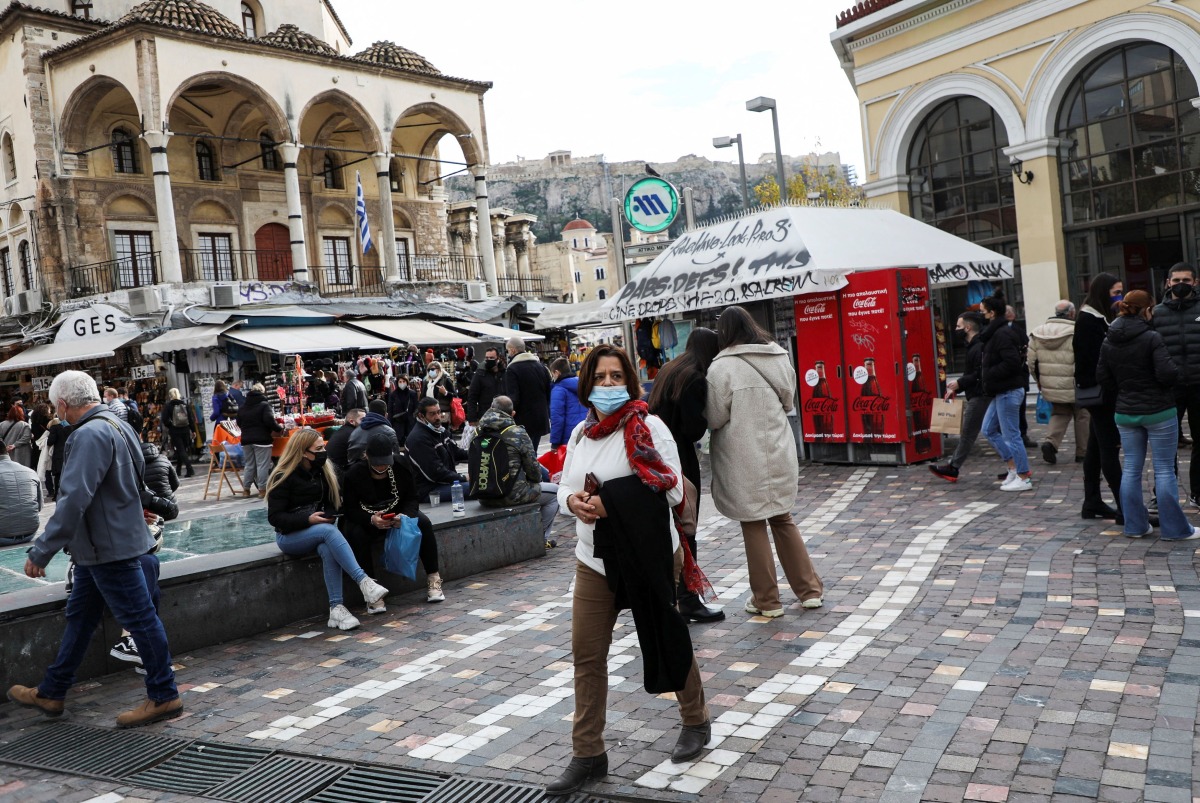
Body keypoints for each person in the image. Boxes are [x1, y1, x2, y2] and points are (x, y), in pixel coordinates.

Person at [549, 343, 711, 796]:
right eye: (599, 378)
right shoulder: (583, 435)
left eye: (616, 377)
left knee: (663, 631)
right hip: (594, 558)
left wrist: (611, 501)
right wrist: (574, 503)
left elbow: (675, 491)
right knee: (586, 653)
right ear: (586, 384)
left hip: (647, 552)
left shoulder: (649, 427)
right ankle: (588, 754)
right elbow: (564, 489)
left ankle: (696, 720)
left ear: (630, 382)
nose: (607, 386)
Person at [7, 370, 182, 727]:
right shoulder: (120, 426)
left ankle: (164, 695)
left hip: (107, 548)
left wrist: (42, 550)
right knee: (82, 618)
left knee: (140, 621)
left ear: (62, 404)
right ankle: (52, 691)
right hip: (107, 545)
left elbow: (73, 499)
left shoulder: (87, 435)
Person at [706, 307, 824, 617]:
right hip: (777, 449)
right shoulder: (779, 357)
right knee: (783, 517)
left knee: (753, 522)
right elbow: (789, 402)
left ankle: (767, 600)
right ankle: (809, 591)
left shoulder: (722, 368)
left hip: (743, 456)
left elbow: (715, 417)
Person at [1096, 290, 1197, 540]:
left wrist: (1126, 387)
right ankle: (1175, 529)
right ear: (1146, 309)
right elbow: (1167, 374)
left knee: (1131, 468)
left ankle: (1135, 526)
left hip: (1126, 411)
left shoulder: (1109, 339)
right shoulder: (1151, 337)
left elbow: (1103, 378)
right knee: (1163, 469)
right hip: (1158, 410)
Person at [265, 427, 389, 630]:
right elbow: (275, 517)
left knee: (327, 548)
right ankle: (364, 582)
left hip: (318, 531)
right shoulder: (282, 475)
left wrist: (329, 514)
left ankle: (336, 609)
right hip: (289, 536)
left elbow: (334, 502)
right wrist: (308, 519)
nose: (324, 452)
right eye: (319, 448)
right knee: (328, 532)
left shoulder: (323, 470)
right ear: (304, 452)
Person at [646, 328, 725, 623]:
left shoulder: (670, 369)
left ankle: (672, 595)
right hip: (679, 458)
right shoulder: (695, 378)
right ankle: (689, 598)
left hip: (658, 455)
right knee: (687, 527)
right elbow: (693, 429)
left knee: (669, 527)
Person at [342, 433, 444, 606]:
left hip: (397, 513)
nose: (381, 467)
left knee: (424, 523)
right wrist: (371, 519)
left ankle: (433, 578)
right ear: (367, 456)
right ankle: (372, 590)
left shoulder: (401, 465)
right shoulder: (353, 474)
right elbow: (350, 509)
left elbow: (412, 497)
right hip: (367, 517)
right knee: (356, 534)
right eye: (377, 463)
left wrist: (405, 516)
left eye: (385, 462)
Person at [109, 441, 180, 668]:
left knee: (149, 569)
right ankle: (141, 647)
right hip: (98, 561)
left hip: (125, 556)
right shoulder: (98, 488)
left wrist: (140, 521)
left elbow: (168, 511)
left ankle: (140, 649)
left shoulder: (130, 487)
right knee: (148, 568)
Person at [475, 396, 560, 539]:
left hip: (483, 495)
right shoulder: (516, 432)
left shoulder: (476, 432)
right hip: (511, 495)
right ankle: (540, 538)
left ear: (491, 407)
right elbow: (534, 472)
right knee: (556, 493)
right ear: (513, 413)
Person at [1076, 273, 1123, 522]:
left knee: (1095, 448)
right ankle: (1126, 507)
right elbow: (1090, 361)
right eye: (1115, 292)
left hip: (1102, 391)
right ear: (1104, 292)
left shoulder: (1101, 318)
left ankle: (1092, 500)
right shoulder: (1089, 319)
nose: (1119, 297)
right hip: (1102, 394)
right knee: (1108, 448)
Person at [1152, 262, 1200, 503]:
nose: (1181, 285)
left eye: (1186, 281)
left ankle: (1198, 492)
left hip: (1199, 385)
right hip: (1169, 388)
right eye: (1176, 280)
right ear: (1168, 283)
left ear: (1195, 283)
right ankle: (1162, 494)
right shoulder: (1156, 313)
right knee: (1166, 443)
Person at [979, 296, 1033, 492]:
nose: (981, 315)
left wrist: (989, 375)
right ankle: (1012, 467)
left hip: (1008, 390)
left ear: (992, 313)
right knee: (988, 429)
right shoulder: (995, 333)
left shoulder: (1002, 334)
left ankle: (1023, 475)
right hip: (1001, 390)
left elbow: (1011, 363)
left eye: (982, 311)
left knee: (1012, 435)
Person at [929, 311, 988, 482]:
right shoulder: (973, 346)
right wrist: (959, 386)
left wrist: (960, 383)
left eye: (958, 326)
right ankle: (1014, 466)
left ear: (968, 327)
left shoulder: (978, 347)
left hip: (980, 394)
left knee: (972, 433)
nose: (955, 329)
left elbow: (979, 373)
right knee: (994, 432)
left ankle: (953, 468)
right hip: (978, 393)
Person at [1029, 300, 1088, 465]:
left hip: (1051, 385)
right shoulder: (1076, 331)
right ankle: (1083, 452)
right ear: (1071, 313)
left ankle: (1050, 443)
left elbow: (1031, 362)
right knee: (1082, 415)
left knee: (1059, 413)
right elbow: (1083, 358)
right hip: (1076, 384)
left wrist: (1040, 381)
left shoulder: (1038, 332)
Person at [406, 397, 468, 503]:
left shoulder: (440, 431)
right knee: (479, 487)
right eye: (432, 414)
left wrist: (479, 454)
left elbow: (456, 452)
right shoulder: (418, 438)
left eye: (439, 412)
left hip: (446, 483)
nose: (437, 417)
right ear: (421, 416)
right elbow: (436, 473)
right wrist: (463, 477)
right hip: (429, 490)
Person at [505, 336, 551, 450]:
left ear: (513, 350)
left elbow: (514, 397)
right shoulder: (542, 367)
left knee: (525, 457)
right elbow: (549, 392)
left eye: (508, 350)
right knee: (533, 451)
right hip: (541, 418)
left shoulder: (512, 369)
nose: (508, 354)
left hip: (523, 420)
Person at [237, 383, 282, 499]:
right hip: (262, 439)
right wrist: (279, 429)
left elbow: (238, 423)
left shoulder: (243, 406)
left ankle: (246, 489)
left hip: (246, 439)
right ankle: (262, 490)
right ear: (263, 392)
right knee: (262, 465)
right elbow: (269, 421)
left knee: (249, 465)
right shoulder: (264, 405)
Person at [0, 445, 41, 545]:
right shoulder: (30, 471)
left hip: (3, 536)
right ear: (7, 452)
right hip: (30, 533)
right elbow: (39, 506)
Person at [549, 357, 588, 451]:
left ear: (557, 373)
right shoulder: (582, 384)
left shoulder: (558, 390)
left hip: (568, 437)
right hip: (585, 431)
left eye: (552, 374)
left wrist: (555, 443)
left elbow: (557, 418)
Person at [349, 399, 400, 463]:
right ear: (386, 415)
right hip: (378, 470)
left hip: (354, 470)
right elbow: (396, 457)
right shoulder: (389, 432)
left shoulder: (355, 431)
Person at [467, 347, 506, 425]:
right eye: (487, 358)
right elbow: (472, 397)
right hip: (485, 415)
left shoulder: (504, 373)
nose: (489, 360)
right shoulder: (480, 374)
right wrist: (472, 419)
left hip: (503, 415)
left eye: (492, 358)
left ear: (498, 358)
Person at [162, 389, 196, 478]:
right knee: (183, 450)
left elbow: (164, 419)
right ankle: (178, 469)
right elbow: (191, 419)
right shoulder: (184, 405)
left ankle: (190, 469)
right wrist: (193, 430)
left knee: (180, 450)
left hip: (175, 431)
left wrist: (171, 426)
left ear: (170, 396)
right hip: (185, 429)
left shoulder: (169, 406)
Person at [326, 408, 365, 483]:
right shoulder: (354, 434)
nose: (366, 422)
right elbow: (358, 457)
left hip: (331, 470)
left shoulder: (344, 430)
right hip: (338, 474)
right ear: (351, 421)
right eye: (362, 420)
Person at [0, 403, 33, 469]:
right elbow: (27, 437)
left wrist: (5, 447)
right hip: (22, 453)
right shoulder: (25, 425)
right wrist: (15, 445)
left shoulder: (2, 424)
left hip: (6, 453)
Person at [387, 374, 418, 443]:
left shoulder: (412, 394)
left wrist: (414, 419)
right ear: (397, 383)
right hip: (398, 423)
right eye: (400, 382)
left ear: (407, 382)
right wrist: (390, 423)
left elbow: (416, 407)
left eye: (404, 381)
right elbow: (390, 409)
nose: (402, 383)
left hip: (410, 423)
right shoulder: (393, 395)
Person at [424, 360, 456, 427]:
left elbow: (455, 395)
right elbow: (423, 397)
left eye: (432, 369)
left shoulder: (446, 379)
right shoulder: (427, 382)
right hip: (430, 413)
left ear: (438, 370)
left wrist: (445, 393)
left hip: (443, 413)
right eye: (429, 370)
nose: (430, 371)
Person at [45, 415, 69, 501]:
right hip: (69, 453)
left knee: (58, 476)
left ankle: (57, 494)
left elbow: (50, 441)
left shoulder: (55, 428)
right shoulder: (72, 427)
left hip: (58, 454)